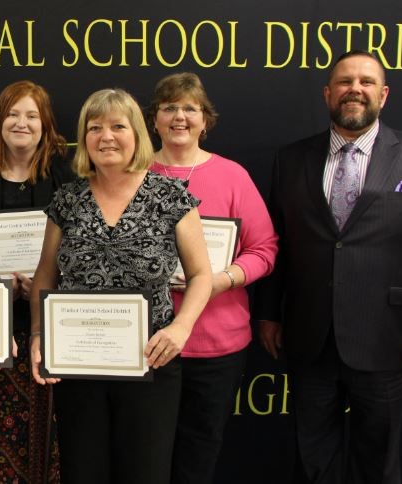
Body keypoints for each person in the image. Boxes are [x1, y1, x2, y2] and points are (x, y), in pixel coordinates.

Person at [255, 50, 402, 484]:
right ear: (328, 93)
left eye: (366, 82)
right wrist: (269, 313)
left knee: (379, 460)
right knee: (313, 457)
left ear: (383, 95)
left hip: (387, 336)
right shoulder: (291, 159)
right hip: (311, 335)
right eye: (345, 82)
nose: (355, 89)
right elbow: (279, 241)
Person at [29, 87, 212, 484]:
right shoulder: (68, 199)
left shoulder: (171, 197)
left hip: (150, 362)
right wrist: (39, 333)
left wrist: (181, 327)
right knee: (83, 472)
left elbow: (200, 275)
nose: (106, 136)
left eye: (117, 126)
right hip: (78, 366)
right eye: (94, 128)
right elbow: (46, 273)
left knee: (144, 473)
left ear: (137, 135)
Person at [145, 72, 278, 484]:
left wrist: (220, 279)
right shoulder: (133, 173)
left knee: (199, 452)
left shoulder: (232, 176)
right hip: (147, 341)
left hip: (217, 344)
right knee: (146, 453)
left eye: (190, 108)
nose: (179, 116)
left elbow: (264, 249)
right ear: (154, 120)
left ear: (206, 121)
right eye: (169, 107)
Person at [0, 80, 71, 483]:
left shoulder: (66, 180)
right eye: (13, 114)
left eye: (32, 115)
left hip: (45, 332)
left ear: (45, 125)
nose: (22, 123)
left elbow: (80, 251)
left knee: (44, 439)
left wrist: (48, 287)